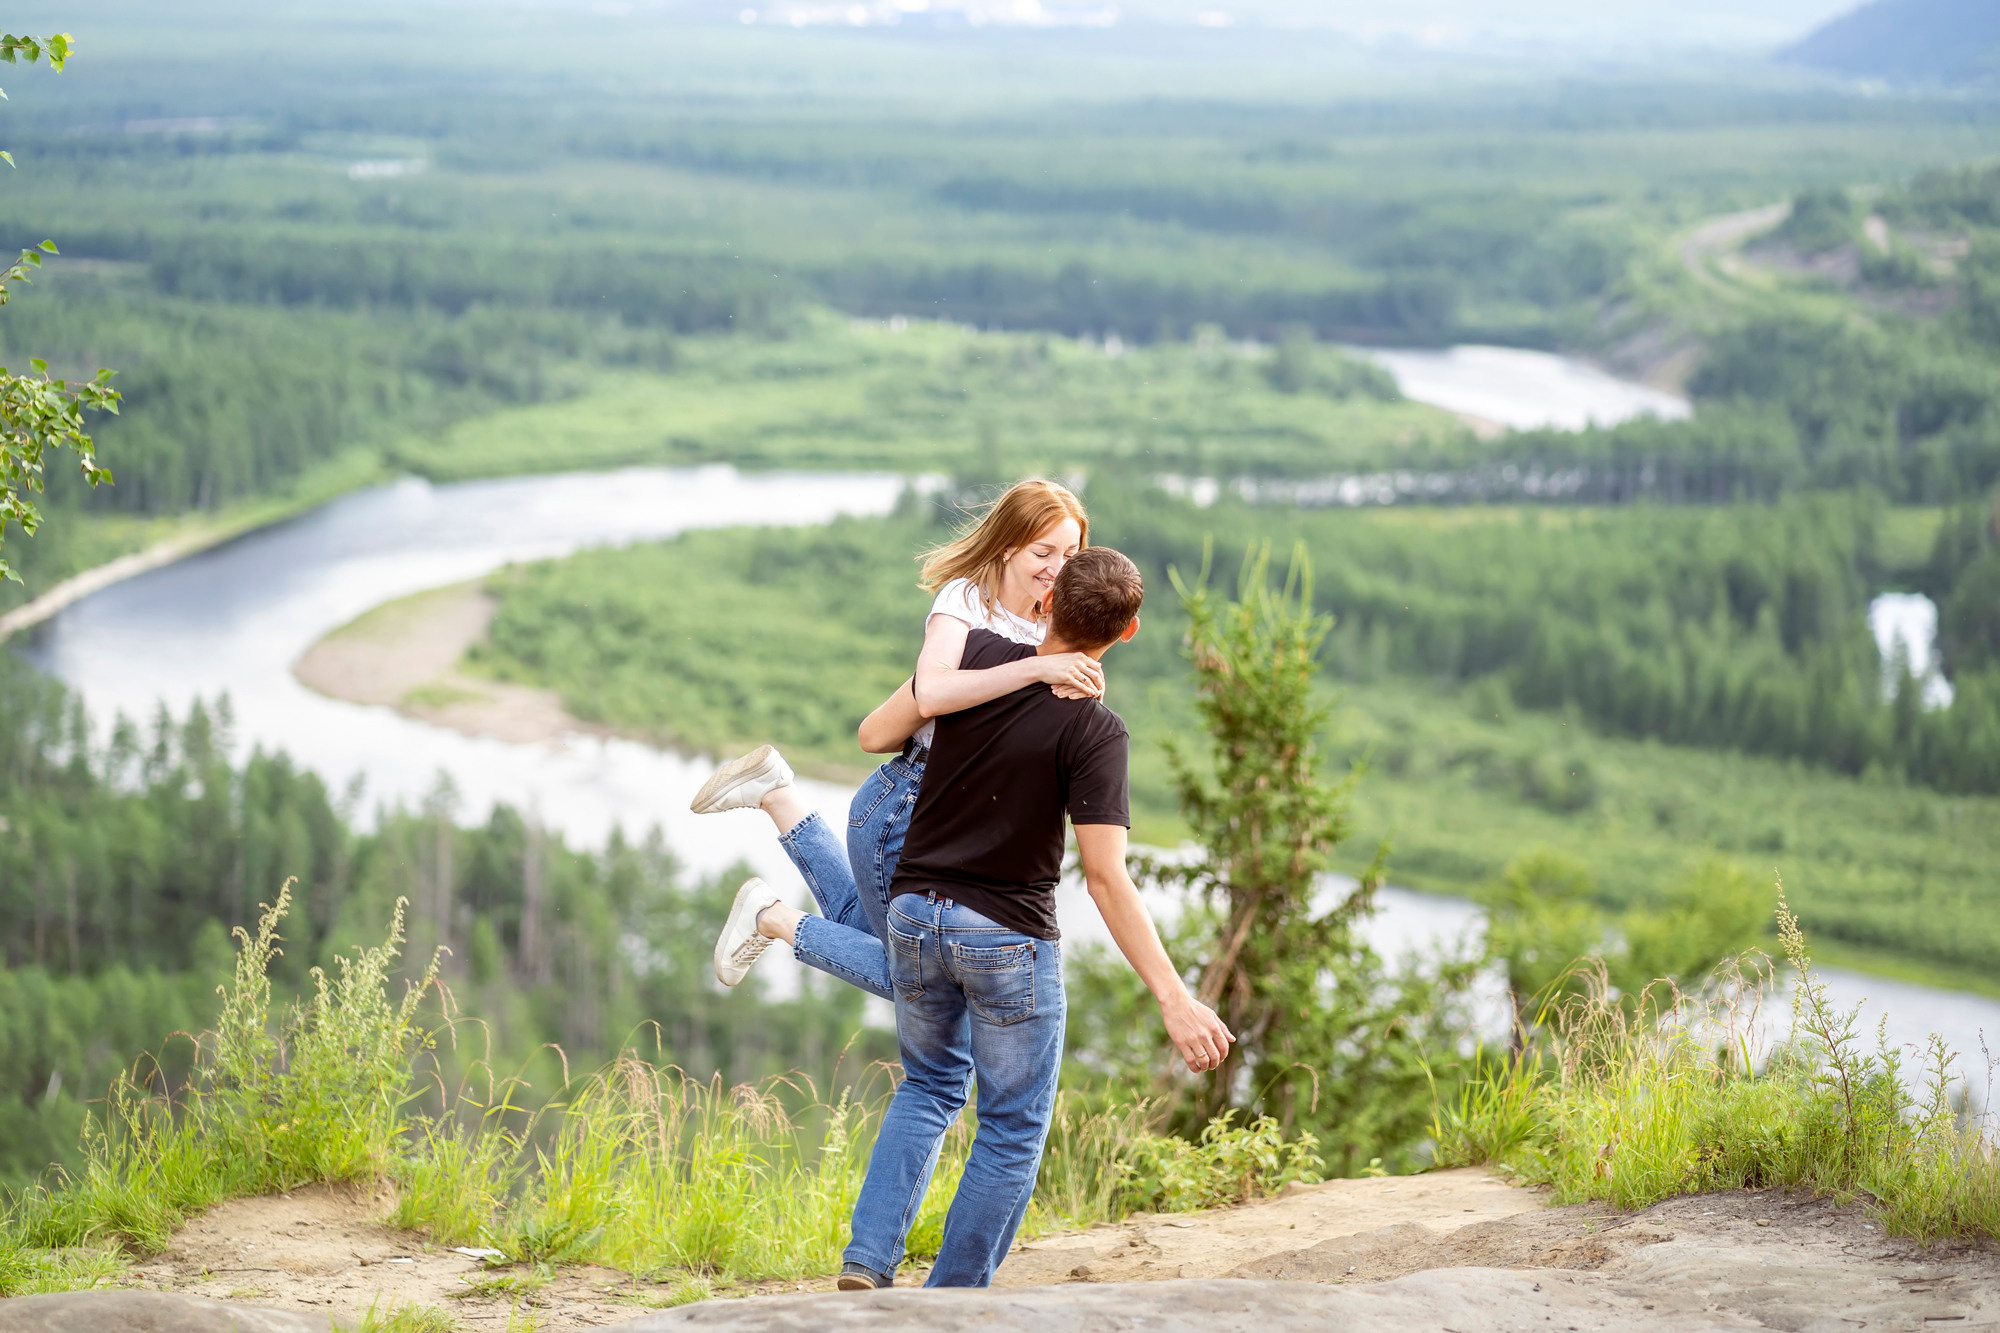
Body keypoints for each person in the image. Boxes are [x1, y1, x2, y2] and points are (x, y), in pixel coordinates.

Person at [758, 547, 1233, 1290]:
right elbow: (1107, 879)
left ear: (1046, 604)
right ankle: (950, 1304)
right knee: (1010, 1131)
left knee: (929, 1084)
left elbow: (887, 723)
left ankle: (867, 1261)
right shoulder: (1097, 732)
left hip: (916, 916)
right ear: (1130, 630)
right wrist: (1175, 996)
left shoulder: (974, 659)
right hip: (1005, 935)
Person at [688, 479, 1104, 998]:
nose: (1057, 568)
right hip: (908, 805)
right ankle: (772, 918)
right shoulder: (967, 600)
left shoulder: (1051, 624)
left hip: (958, 818)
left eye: (1071, 553)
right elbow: (930, 693)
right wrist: (1036, 669)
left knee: (872, 937)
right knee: (914, 980)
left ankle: (778, 795)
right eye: (1043, 552)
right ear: (1007, 545)